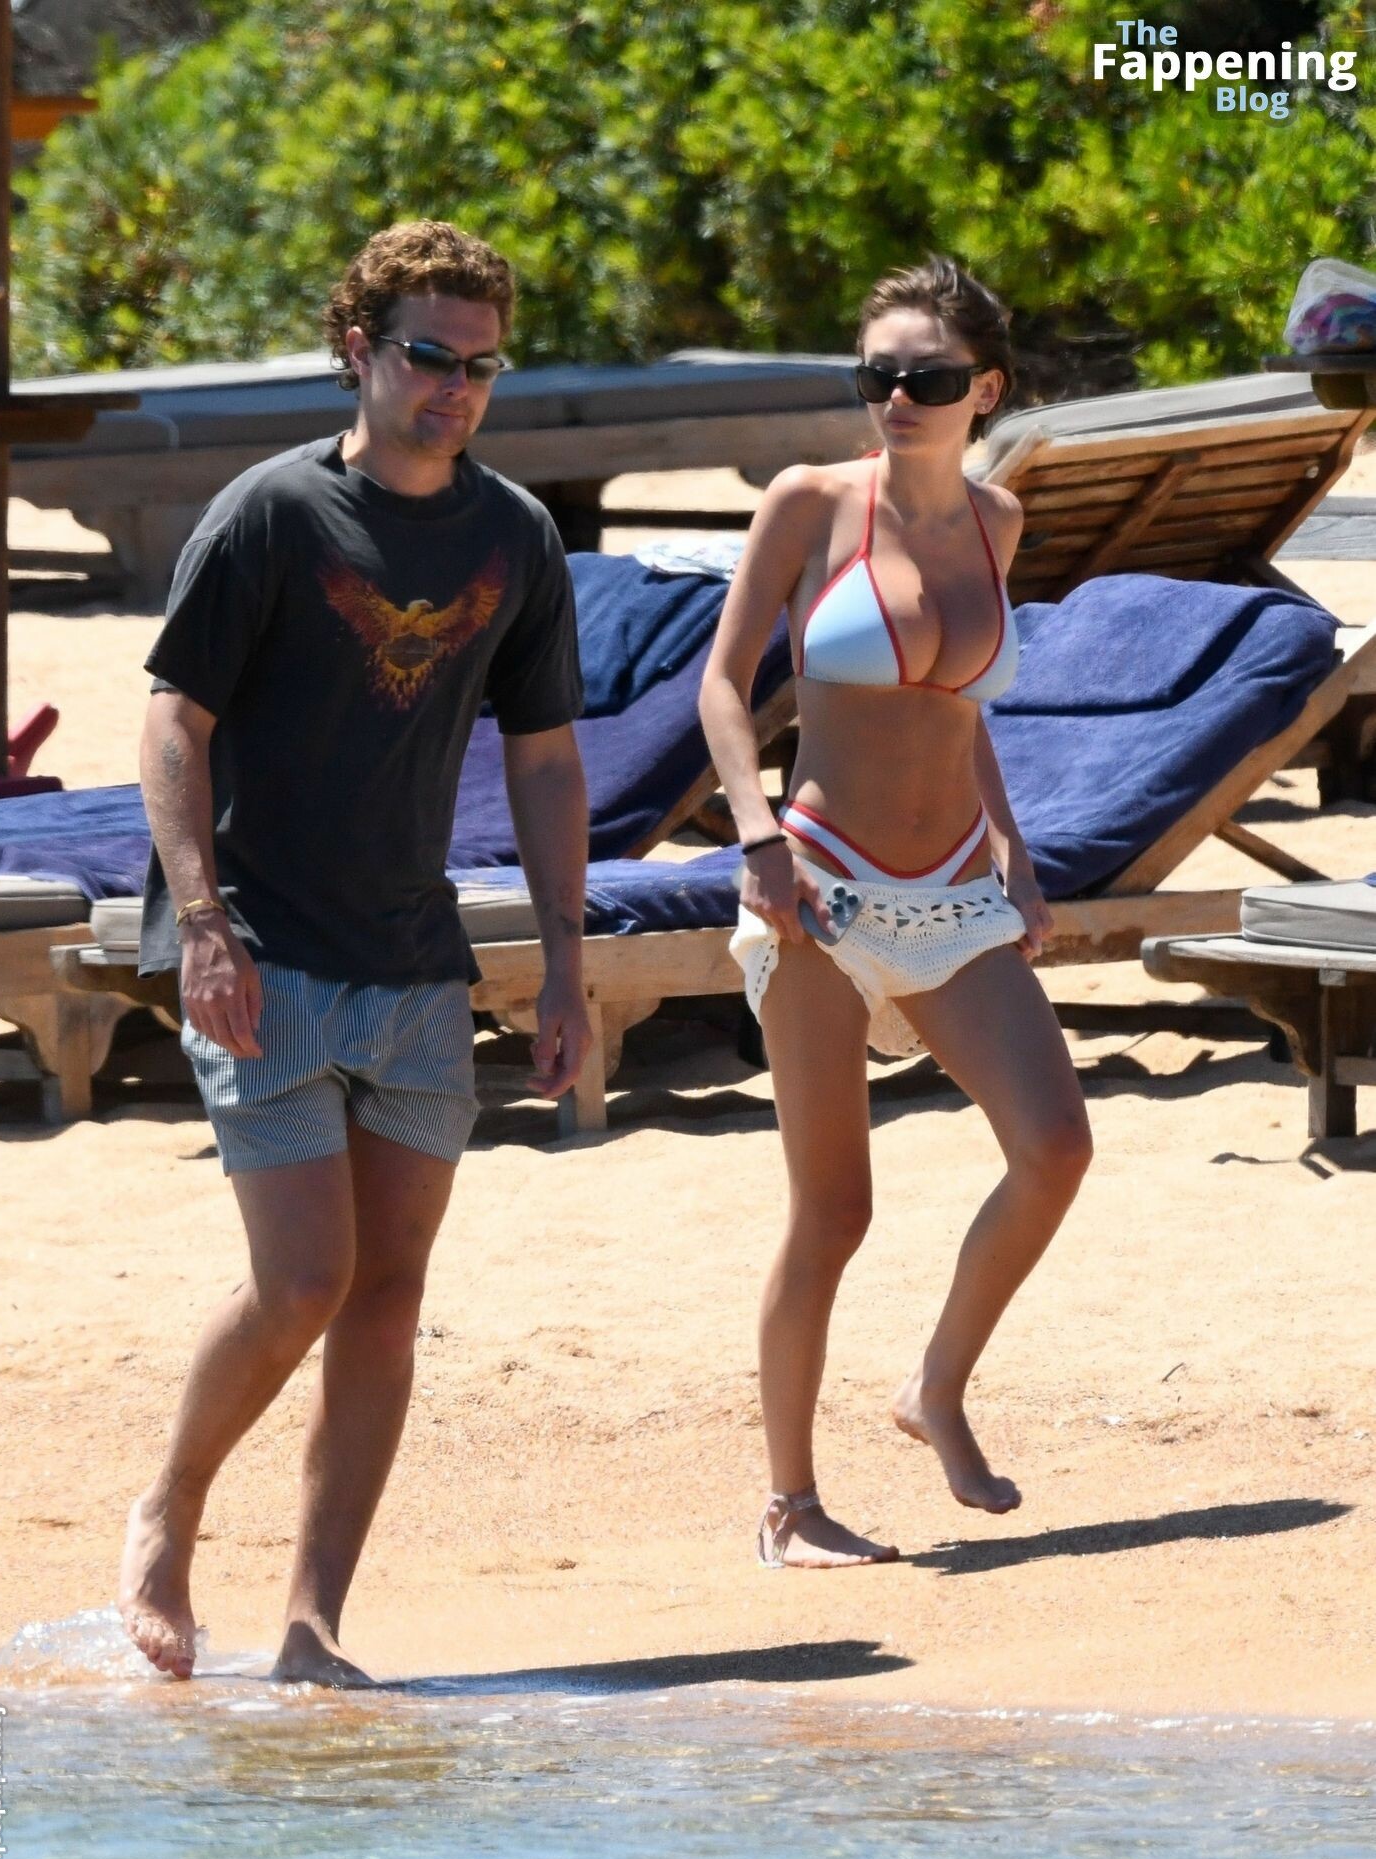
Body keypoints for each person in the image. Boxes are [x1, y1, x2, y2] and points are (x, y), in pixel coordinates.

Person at [118, 220, 591, 1682]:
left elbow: (546, 759)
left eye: (481, 366)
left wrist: (566, 967)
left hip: (416, 965)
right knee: (305, 1281)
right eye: (430, 356)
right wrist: (202, 924)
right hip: (262, 953)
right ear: (359, 350)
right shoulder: (270, 516)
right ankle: (169, 1511)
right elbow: (172, 722)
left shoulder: (516, 536)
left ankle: (313, 1625)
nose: (456, 388)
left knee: (389, 1298)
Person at [699, 256, 1092, 1570]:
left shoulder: (996, 519)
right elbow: (721, 686)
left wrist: (1015, 859)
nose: (897, 398)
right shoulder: (811, 502)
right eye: (877, 376)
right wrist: (754, 835)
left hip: (957, 890)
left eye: (927, 377)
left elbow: (961, 712)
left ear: (985, 389)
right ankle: (790, 1505)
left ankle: (934, 1388)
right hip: (819, 885)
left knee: (1055, 1147)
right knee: (832, 1214)